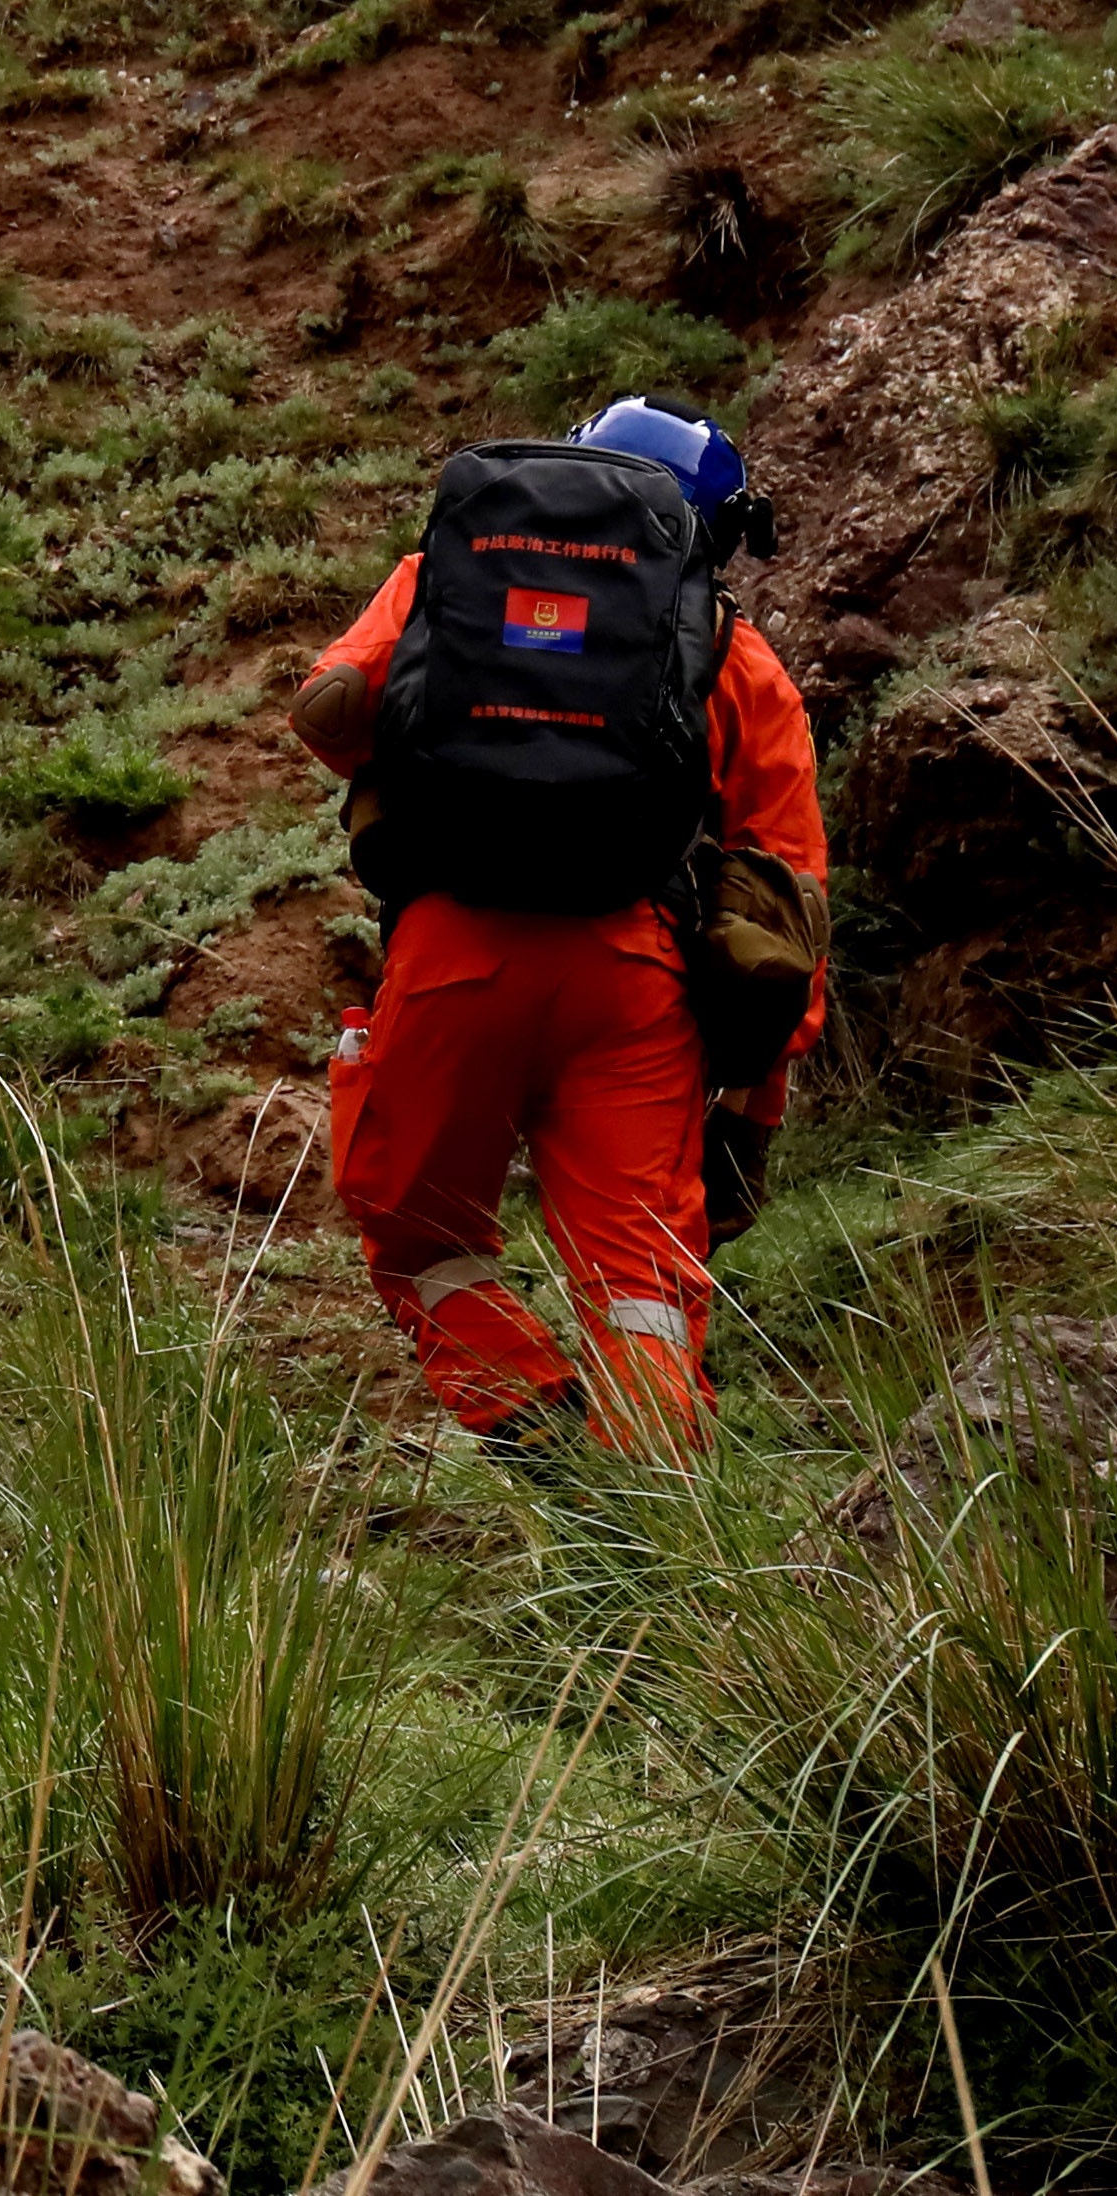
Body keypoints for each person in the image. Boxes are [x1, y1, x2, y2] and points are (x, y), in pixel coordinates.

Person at [282, 397, 828, 1460]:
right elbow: (789, 917)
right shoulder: (739, 659)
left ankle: (545, 1438)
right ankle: (655, 1540)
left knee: (421, 1240)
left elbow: (326, 711)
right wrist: (752, 1114)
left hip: (451, 954)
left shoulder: (441, 578)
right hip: (634, 982)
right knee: (641, 1289)